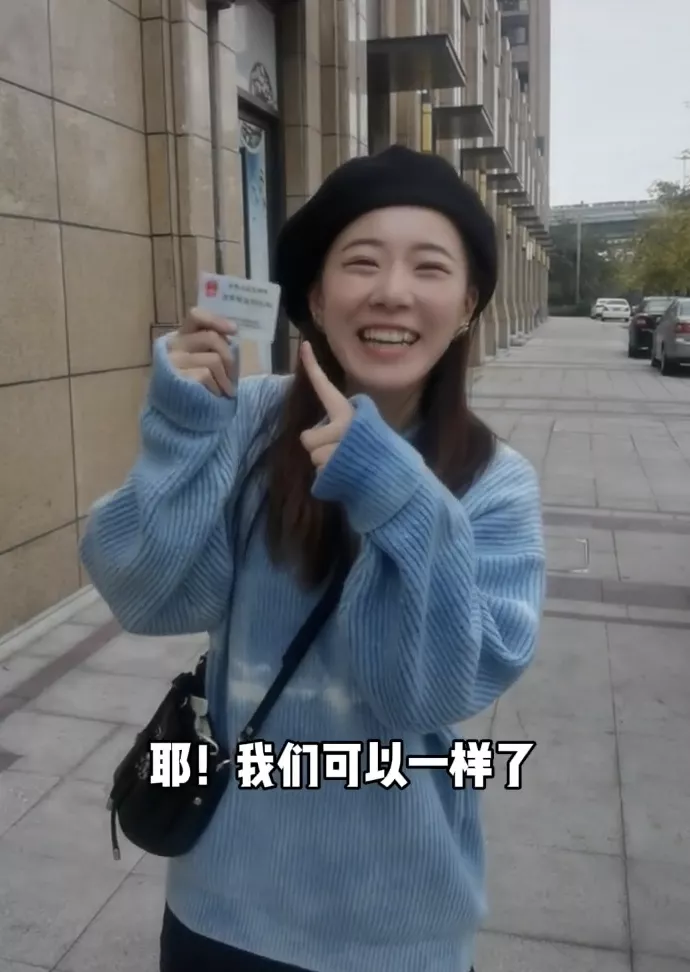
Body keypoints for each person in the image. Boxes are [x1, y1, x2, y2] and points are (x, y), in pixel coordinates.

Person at [81, 144, 546, 972]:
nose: (392, 291)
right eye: (361, 262)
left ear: (467, 304)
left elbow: (425, 695)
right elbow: (146, 594)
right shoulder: (251, 421)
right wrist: (182, 431)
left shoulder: (494, 482)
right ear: (317, 300)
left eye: (430, 267)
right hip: (220, 906)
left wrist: (395, 493)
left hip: (396, 926)